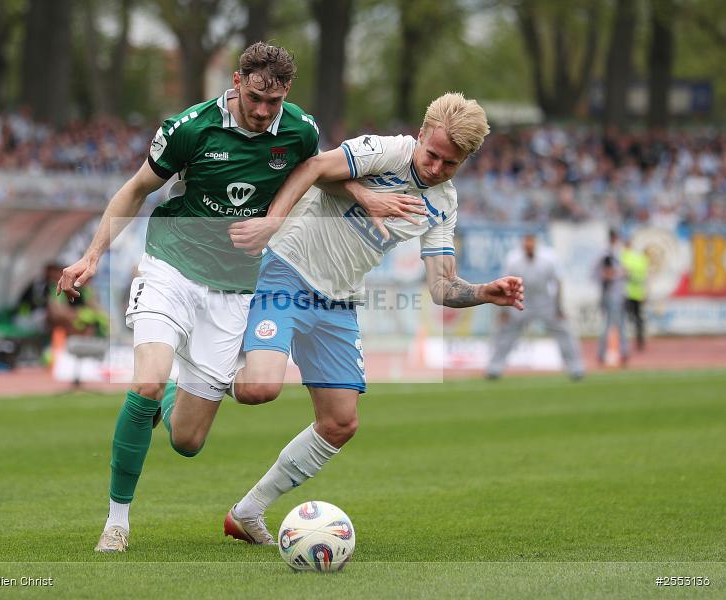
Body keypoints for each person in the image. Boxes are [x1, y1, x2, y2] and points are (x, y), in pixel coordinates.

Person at [56, 42, 420, 553]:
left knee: (187, 441)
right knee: (146, 381)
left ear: (286, 93)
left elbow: (316, 176)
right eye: (255, 98)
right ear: (236, 82)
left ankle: (168, 397)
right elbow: (136, 189)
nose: (264, 111)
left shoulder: (299, 130)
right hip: (170, 266)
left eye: (274, 102)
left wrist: (363, 194)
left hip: (233, 290)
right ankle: (117, 522)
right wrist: (93, 256)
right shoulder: (190, 128)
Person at [220, 92, 525, 544]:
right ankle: (196, 379)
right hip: (288, 269)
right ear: (420, 135)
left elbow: (441, 287)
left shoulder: (444, 203)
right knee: (259, 389)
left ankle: (248, 512)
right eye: (432, 154)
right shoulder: (388, 151)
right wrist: (361, 198)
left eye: (450, 163)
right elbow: (313, 167)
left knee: (340, 423)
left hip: (339, 299)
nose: (436, 168)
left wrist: (483, 292)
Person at [485, 233, 584, 380]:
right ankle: (494, 368)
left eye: (531, 243)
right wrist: (504, 310)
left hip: (545, 302)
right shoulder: (513, 259)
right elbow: (505, 284)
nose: (529, 246)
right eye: (526, 244)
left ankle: (576, 368)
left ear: (536, 244)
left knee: (564, 331)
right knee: (505, 333)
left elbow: (558, 282)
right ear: (523, 245)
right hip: (522, 301)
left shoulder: (549, 258)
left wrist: (559, 308)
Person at [596, 229, 627, 366]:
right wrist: (621, 273)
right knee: (614, 325)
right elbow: (607, 274)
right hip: (611, 295)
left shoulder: (610, 253)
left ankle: (605, 353)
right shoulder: (608, 254)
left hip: (613, 294)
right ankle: (621, 352)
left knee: (612, 325)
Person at [620, 236, 649, 352]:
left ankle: (623, 343)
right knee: (638, 319)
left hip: (626, 293)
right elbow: (645, 278)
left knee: (624, 319)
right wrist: (645, 293)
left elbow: (623, 274)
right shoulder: (640, 259)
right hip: (639, 293)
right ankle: (640, 341)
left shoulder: (623, 257)